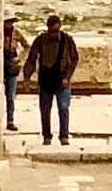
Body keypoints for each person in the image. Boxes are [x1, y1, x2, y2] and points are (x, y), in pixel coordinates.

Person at [30, 12, 79, 145]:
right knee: (45, 109)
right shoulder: (40, 40)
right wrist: (27, 78)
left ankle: (64, 135)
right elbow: (32, 58)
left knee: (63, 107)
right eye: (52, 31)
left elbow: (75, 58)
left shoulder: (67, 40)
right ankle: (47, 136)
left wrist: (68, 76)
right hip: (45, 80)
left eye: (56, 31)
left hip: (62, 80)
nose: (54, 34)